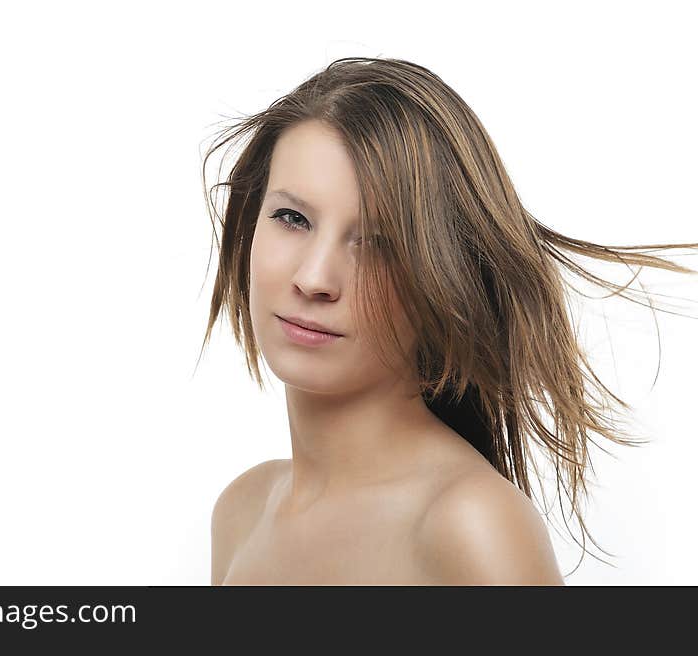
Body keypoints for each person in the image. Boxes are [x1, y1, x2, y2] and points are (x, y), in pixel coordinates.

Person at [198, 57, 698, 585]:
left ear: (444, 275)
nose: (315, 278)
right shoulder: (241, 514)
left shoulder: (470, 525)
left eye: (379, 243)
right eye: (292, 218)